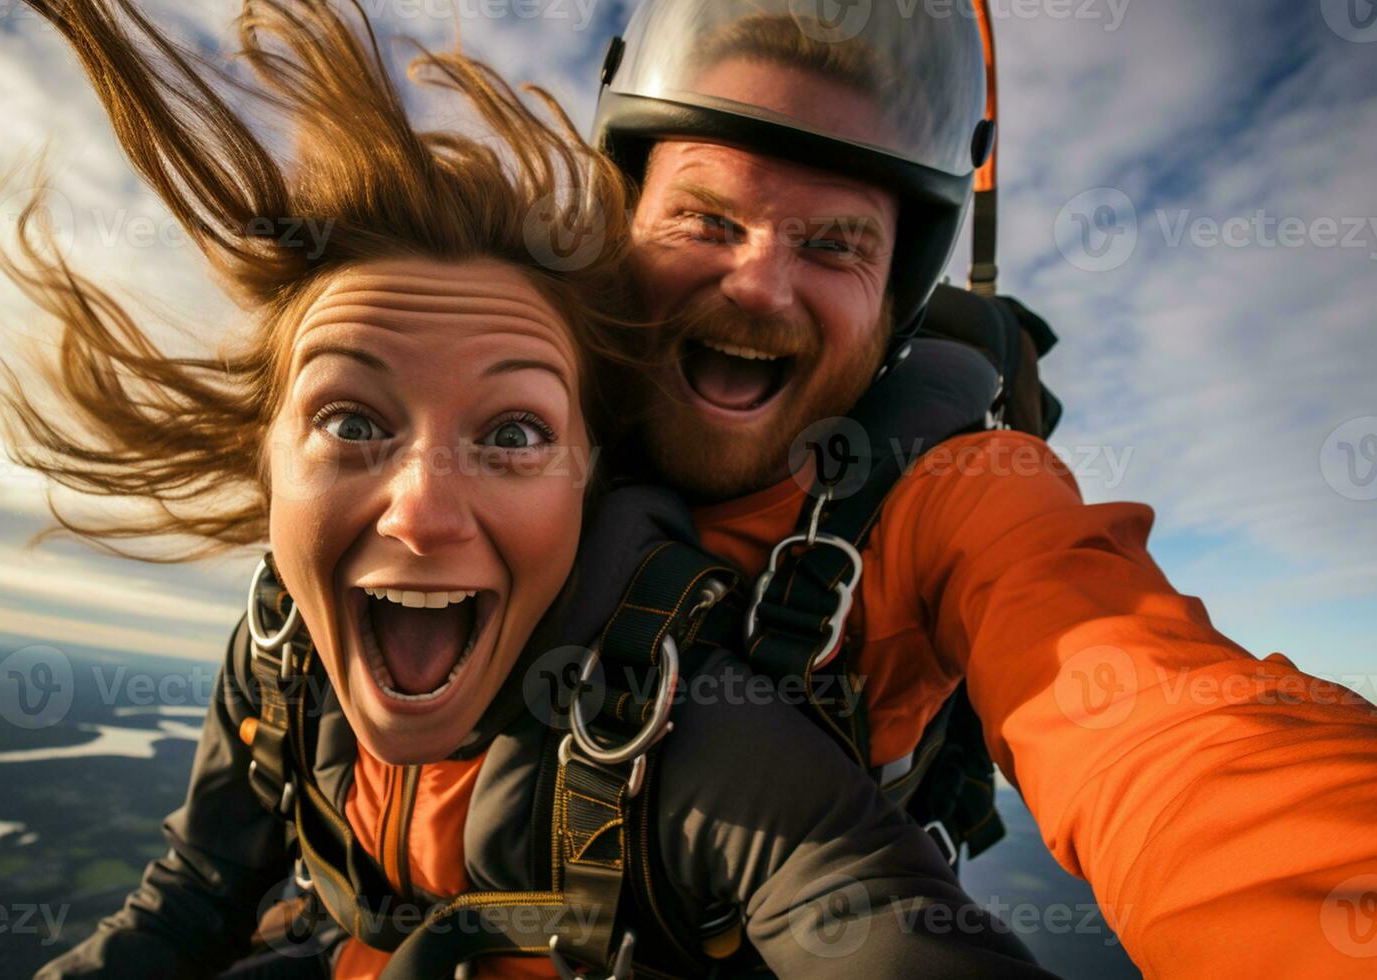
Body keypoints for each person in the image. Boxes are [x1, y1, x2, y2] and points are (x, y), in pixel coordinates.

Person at [0, 1, 1059, 977]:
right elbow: (190, 895)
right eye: (351, 420)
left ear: (586, 465)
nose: (421, 512)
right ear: (263, 453)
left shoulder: (682, 715)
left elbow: (878, 885)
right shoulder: (281, 648)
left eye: (513, 433)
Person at [588, 2, 1377, 977]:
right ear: (620, 234)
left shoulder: (959, 487)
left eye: (834, 246)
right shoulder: (493, 413)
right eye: (707, 218)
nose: (760, 286)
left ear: (894, 301)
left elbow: (1163, 719)